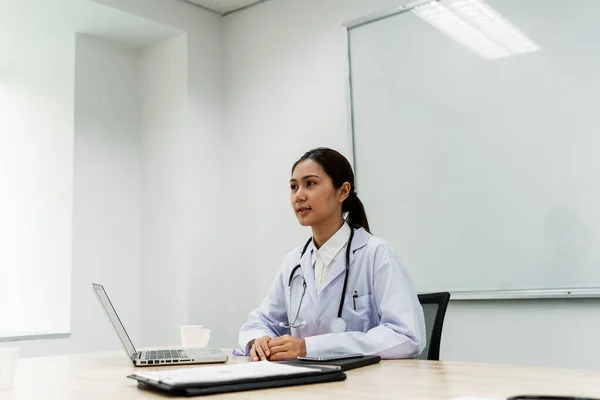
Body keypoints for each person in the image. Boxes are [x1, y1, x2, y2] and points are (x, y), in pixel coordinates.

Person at [238, 148, 425, 361]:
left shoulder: (377, 255)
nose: (299, 195)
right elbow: (259, 322)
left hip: (365, 385)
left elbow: (405, 336)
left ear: (343, 192)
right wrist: (260, 340)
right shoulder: (294, 262)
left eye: (310, 184)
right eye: (293, 187)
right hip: (305, 382)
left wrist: (309, 347)